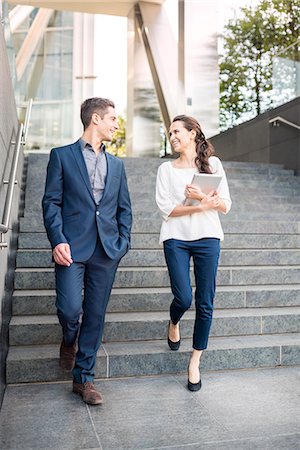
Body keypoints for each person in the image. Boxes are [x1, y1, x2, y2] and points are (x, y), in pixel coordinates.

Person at [42, 97, 132, 405]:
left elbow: (124, 209)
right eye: (113, 119)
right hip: (71, 246)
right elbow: (51, 202)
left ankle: (84, 380)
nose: (116, 125)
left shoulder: (117, 165)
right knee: (70, 310)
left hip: (107, 250)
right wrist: (57, 239)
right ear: (95, 119)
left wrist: (123, 242)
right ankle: (69, 340)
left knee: (95, 314)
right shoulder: (62, 156)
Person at [156, 115, 231, 392]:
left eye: (177, 131)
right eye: (170, 132)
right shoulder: (166, 169)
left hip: (208, 237)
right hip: (176, 237)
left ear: (192, 133)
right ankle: (174, 320)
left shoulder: (213, 165)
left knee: (205, 301)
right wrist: (199, 206)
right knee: (184, 297)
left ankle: (195, 361)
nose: (173, 135)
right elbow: (166, 209)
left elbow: (225, 206)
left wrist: (201, 197)